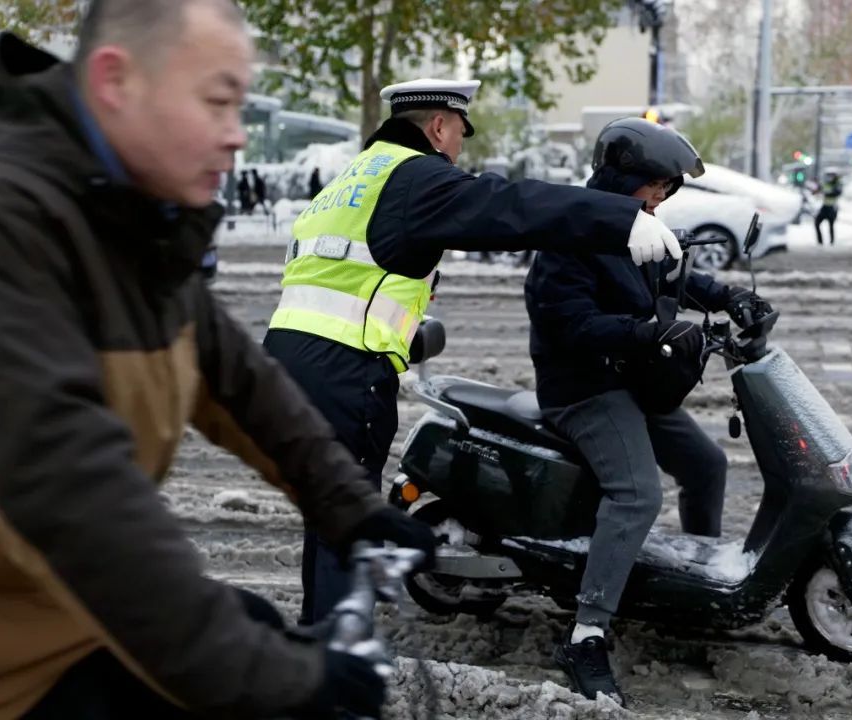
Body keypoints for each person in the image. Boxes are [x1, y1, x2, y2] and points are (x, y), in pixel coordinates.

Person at [0, 2, 435, 719]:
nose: (237, 135)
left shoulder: (128, 211)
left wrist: (352, 510)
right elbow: (75, 494)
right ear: (117, 81)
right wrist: (275, 679)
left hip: (58, 617)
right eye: (217, 102)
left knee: (258, 634)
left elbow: (234, 376)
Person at [263, 77, 683, 626]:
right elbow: (508, 204)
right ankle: (333, 669)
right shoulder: (416, 176)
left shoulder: (351, 179)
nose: (461, 145)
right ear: (439, 126)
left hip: (285, 369)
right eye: (460, 130)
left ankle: (320, 646)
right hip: (345, 373)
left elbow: (345, 275)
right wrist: (620, 218)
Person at [524, 118, 775, 705]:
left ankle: (694, 596)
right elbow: (567, 322)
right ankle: (586, 634)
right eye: (657, 184)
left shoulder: (639, 224)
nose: (663, 195)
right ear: (624, 178)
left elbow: (673, 271)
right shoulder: (570, 232)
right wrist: (645, 332)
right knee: (638, 494)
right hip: (584, 389)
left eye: (669, 187)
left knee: (707, 464)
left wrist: (729, 298)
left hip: (632, 379)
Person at [814, 170, 842, 245]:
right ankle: (820, 241)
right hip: (825, 207)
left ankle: (832, 242)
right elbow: (816, 190)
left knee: (831, 225)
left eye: (831, 176)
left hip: (832, 208)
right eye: (828, 176)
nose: (829, 177)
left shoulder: (836, 185)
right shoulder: (825, 184)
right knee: (817, 223)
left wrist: (827, 193)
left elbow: (837, 193)